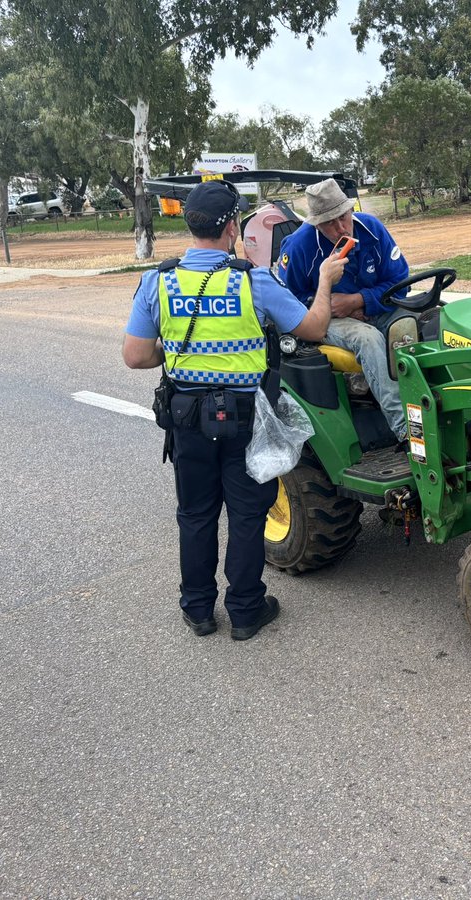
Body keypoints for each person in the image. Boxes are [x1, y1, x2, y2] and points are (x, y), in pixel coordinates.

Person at [122, 180, 343, 640]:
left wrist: (184, 351)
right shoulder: (253, 280)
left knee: (196, 514)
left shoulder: (157, 280)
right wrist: (323, 282)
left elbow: (136, 355)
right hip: (245, 420)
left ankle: (198, 610)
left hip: (186, 420)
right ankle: (245, 611)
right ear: (230, 228)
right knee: (247, 514)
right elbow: (316, 327)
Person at [278, 178, 409, 442]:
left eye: (342, 217)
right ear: (316, 223)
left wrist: (358, 300)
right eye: (329, 223)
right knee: (368, 338)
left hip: (375, 310)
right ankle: (406, 430)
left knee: (424, 322)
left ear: (351, 209)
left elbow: (400, 281)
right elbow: (287, 303)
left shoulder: (372, 229)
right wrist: (328, 301)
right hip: (327, 320)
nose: (340, 228)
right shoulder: (300, 246)